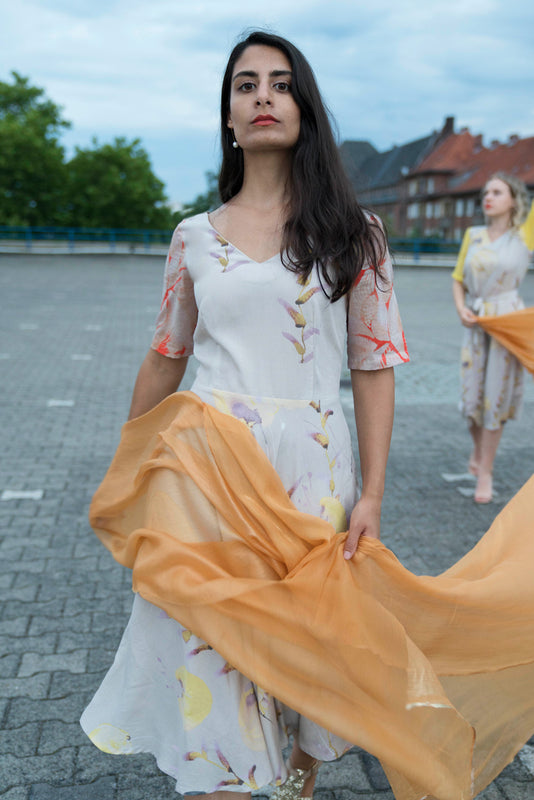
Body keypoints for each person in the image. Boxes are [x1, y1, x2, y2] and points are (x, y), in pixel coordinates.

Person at [80, 30, 408, 800]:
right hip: (206, 477)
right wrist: (131, 466)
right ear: (228, 116)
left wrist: (373, 494)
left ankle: (296, 779)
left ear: (305, 108)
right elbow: (167, 354)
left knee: (308, 659)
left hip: (312, 479)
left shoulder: (355, 235)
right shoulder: (193, 236)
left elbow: (374, 366)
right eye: (246, 85)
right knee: (207, 655)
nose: (263, 96)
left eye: (281, 83)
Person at [451, 172, 533, 504]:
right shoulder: (473, 235)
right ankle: (479, 449)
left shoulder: (524, 234)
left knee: (493, 402)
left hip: (507, 322)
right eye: (486, 192)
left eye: (497, 192)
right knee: (470, 402)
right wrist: (460, 309)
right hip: (476, 322)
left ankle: (485, 471)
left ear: (514, 200)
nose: (488, 197)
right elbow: (458, 278)